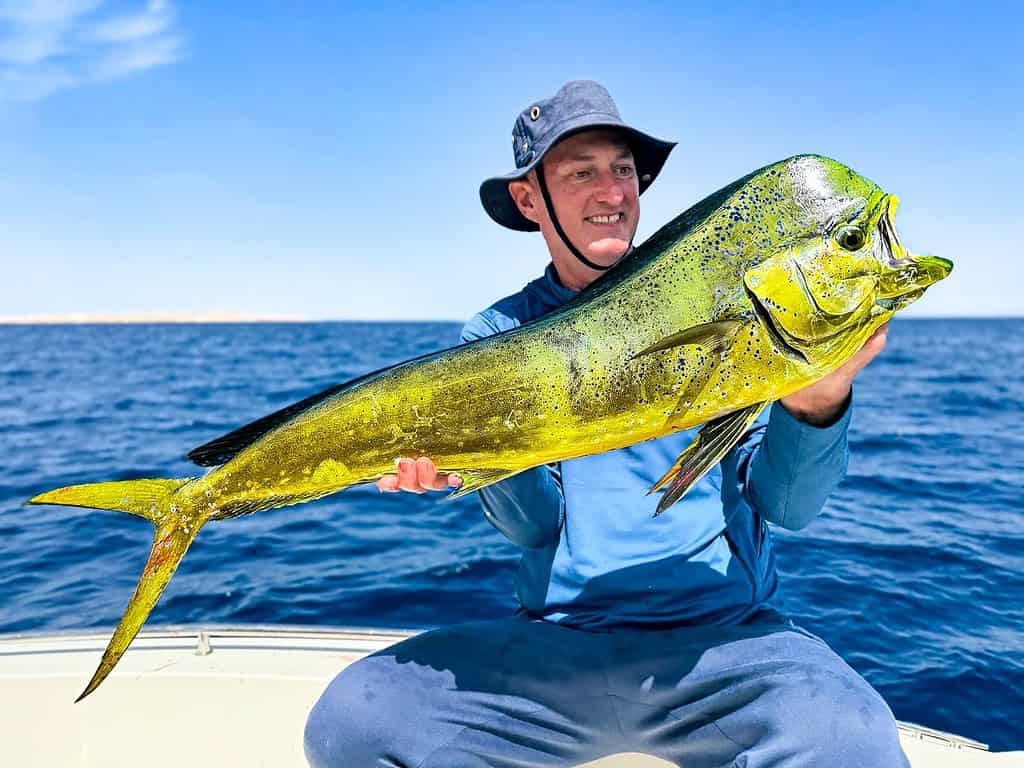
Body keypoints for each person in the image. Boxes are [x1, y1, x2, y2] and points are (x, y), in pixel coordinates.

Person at [304, 80, 907, 767]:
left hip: (730, 649)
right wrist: (474, 466)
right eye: (580, 172)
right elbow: (535, 529)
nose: (612, 191)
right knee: (351, 722)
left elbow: (790, 508)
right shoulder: (497, 336)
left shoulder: (721, 302)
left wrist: (818, 400)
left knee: (853, 742)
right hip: (554, 652)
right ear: (530, 200)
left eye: (623, 169)